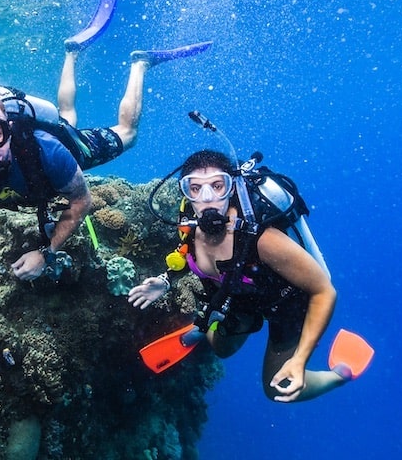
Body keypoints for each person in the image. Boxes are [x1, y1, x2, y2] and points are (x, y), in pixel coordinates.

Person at [0, 0, 211, 282]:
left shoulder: (49, 151)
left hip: (65, 147)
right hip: (48, 140)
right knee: (65, 116)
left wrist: (46, 252)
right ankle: (71, 52)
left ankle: (140, 65)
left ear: (10, 129)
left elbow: (82, 201)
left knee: (126, 133)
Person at [127, 150, 356, 403]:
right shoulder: (190, 226)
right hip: (240, 297)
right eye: (195, 188)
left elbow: (324, 291)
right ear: (185, 193)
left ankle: (340, 375)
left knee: (276, 389)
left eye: (217, 186)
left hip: (286, 306)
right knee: (221, 349)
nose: (207, 199)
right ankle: (207, 327)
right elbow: (187, 257)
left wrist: (299, 360)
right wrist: (165, 281)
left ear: (231, 186)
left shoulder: (263, 240)